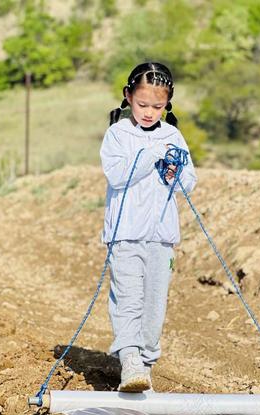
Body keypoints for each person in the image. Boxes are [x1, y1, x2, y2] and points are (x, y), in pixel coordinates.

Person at [100, 62, 197, 392]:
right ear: (128, 97)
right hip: (124, 236)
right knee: (127, 300)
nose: (149, 112)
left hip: (161, 238)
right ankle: (129, 361)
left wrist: (174, 171)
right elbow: (118, 176)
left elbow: (188, 183)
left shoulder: (173, 135)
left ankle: (145, 364)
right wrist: (151, 154)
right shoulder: (117, 135)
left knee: (154, 307)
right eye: (142, 104)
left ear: (167, 104)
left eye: (157, 106)